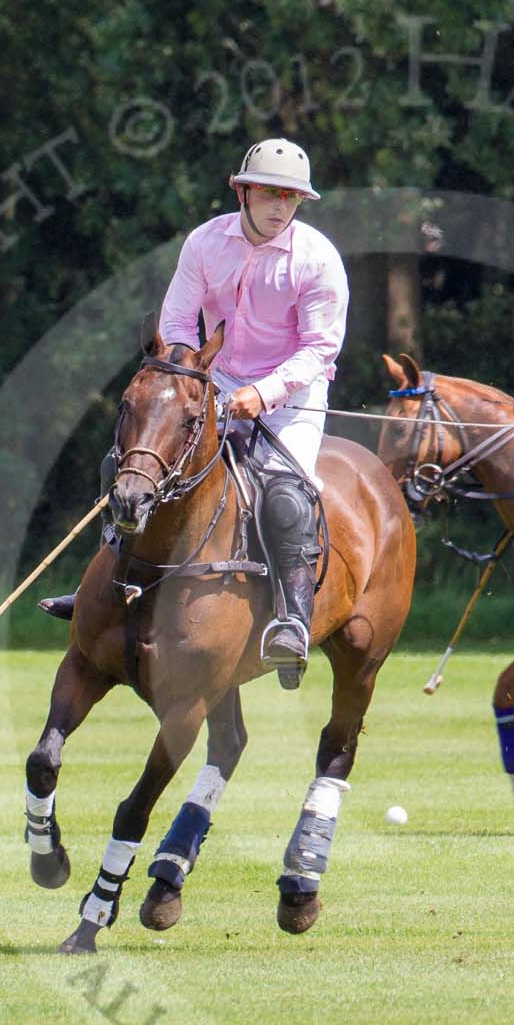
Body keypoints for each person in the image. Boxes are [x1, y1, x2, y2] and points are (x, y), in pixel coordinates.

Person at [155, 139, 349, 689]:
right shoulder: (204, 243)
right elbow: (176, 323)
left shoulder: (317, 259)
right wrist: (188, 381)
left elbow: (319, 349)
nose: (279, 205)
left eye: (290, 196)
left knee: (285, 493)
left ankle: (291, 619)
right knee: (138, 459)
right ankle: (112, 584)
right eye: (269, 192)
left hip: (293, 394)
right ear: (242, 190)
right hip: (209, 381)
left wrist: (262, 395)